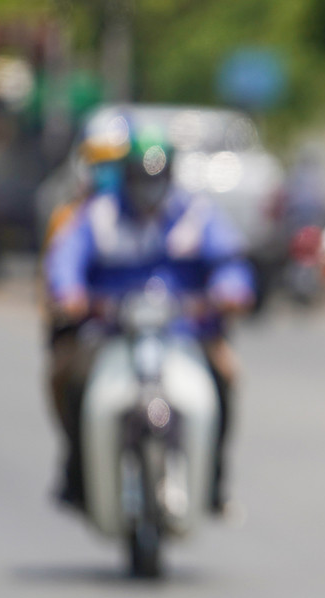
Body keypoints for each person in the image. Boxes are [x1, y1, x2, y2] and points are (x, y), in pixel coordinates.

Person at [44, 128, 253, 512]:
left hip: (184, 332)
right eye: (142, 178)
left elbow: (230, 262)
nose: (149, 188)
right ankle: (76, 470)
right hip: (111, 332)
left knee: (225, 375)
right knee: (68, 377)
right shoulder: (101, 215)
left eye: (156, 179)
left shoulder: (194, 214)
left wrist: (230, 291)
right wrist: (69, 292)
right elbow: (67, 258)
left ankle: (215, 480)